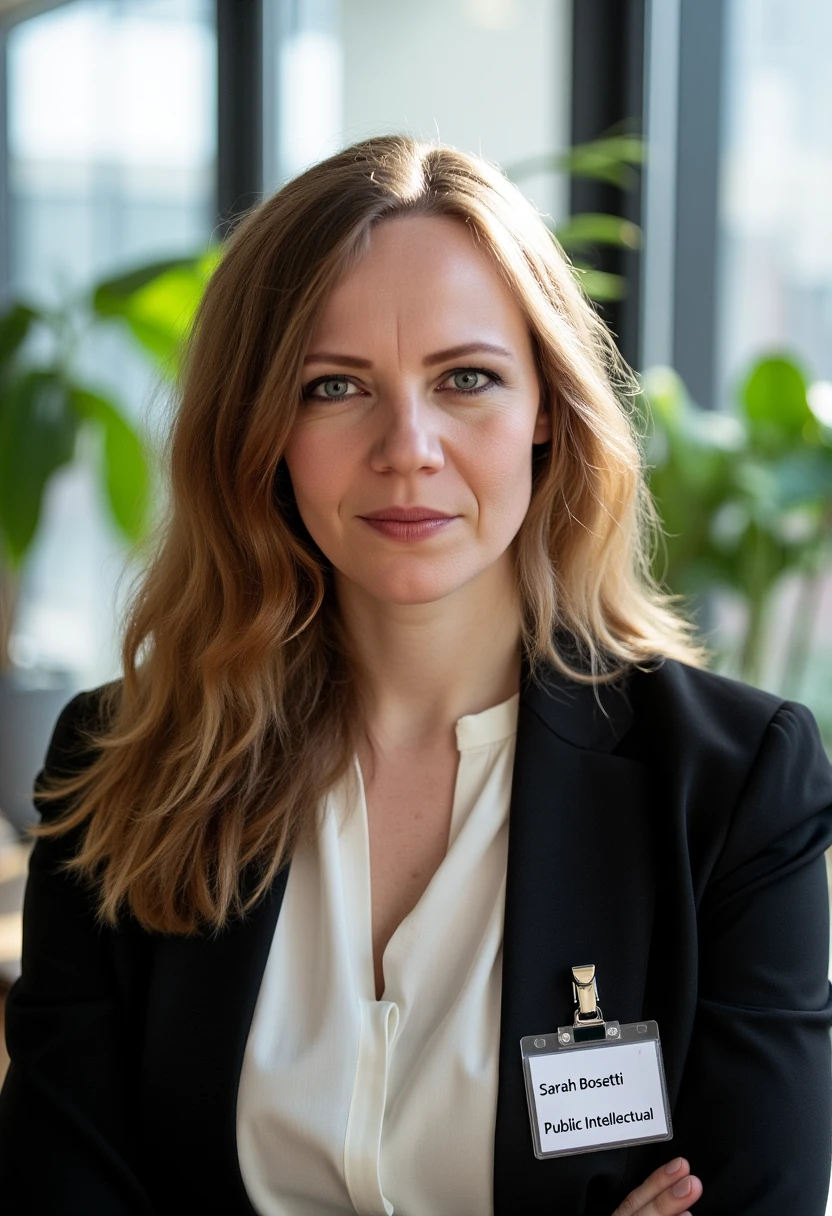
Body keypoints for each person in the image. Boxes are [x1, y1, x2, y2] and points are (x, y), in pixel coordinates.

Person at [0, 133, 830, 1216]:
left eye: (467, 378)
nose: (407, 445)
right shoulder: (123, 764)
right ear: (261, 432)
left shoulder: (728, 789)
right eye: (335, 385)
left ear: (547, 412)